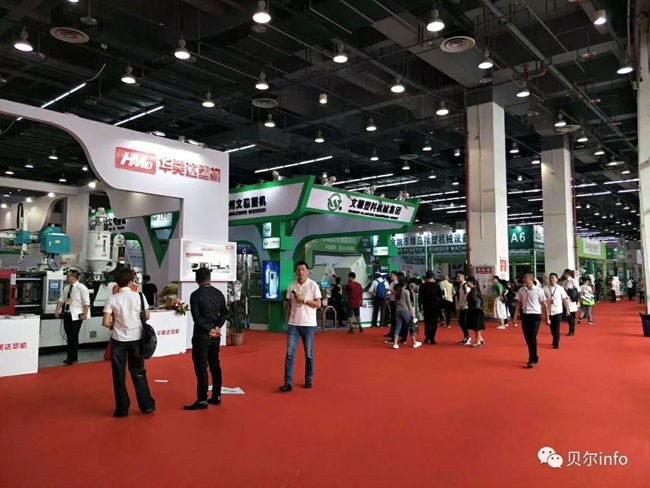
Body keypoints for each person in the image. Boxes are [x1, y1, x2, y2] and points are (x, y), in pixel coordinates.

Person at [102, 268, 155, 417]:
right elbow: (147, 316)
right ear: (131, 282)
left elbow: (105, 322)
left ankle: (122, 409)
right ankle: (146, 405)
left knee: (118, 375)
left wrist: (114, 325)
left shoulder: (112, 299)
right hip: (137, 338)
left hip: (118, 340)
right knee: (138, 372)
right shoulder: (139, 296)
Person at [184, 267, 229, 410]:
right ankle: (217, 395)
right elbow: (225, 313)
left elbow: (196, 318)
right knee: (215, 365)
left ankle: (202, 399)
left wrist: (209, 329)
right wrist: (217, 327)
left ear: (196, 280)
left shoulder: (195, 295)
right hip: (215, 336)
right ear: (210, 278)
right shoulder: (218, 293)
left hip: (201, 336)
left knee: (201, 367)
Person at [279, 261, 322, 392]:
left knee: (308, 354)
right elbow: (289, 305)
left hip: (308, 325)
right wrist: (287, 322)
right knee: (289, 354)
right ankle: (288, 382)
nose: (301, 272)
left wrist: (304, 300)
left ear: (307, 271)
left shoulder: (313, 285)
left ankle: (308, 379)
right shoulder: (291, 286)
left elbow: (318, 304)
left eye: (303, 269)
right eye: (298, 270)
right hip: (293, 324)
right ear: (295, 272)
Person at [54, 270, 91, 365]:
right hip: (67, 314)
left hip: (77, 315)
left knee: (74, 335)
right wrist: (57, 310)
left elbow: (86, 302)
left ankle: (71, 357)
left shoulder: (82, 288)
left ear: (74, 277)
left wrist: (85, 314)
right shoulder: (66, 288)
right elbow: (61, 300)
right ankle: (72, 356)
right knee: (69, 336)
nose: (66, 278)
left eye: (68, 276)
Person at [514, 273, 550, 369]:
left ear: (531, 279)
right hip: (525, 315)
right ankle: (534, 356)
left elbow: (544, 304)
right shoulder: (521, 290)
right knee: (527, 337)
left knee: (532, 336)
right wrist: (515, 315)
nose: (523, 279)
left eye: (525, 278)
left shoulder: (539, 290)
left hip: (535, 315)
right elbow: (518, 303)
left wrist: (547, 317)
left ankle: (532, 359)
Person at [389, 280, 422, 350]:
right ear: (405, 285)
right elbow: (409, 303)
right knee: (411, 326)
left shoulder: (397, 292)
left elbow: (395, 302)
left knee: (398, 326)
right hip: (405, 310)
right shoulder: (406, 291)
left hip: (398, 310)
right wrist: (412, 313)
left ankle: (395, 343)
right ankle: (414, 342)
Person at [543, 273, 569, 349]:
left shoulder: (560, 288)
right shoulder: (545, 289)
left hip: (558, 310)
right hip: (549, 310)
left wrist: (567, 310)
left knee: (557, 327)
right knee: (552, 327)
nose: (552, 279)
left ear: (557, 279)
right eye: (550, 278)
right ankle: (555, 338)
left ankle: (556, 343)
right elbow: (543, 300)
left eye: (553, 278)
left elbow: (564, 300)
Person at [419, 271, 442, 345]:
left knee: (427, 323)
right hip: (435, 306)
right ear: (433, 277)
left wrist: (420, 306)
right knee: (434, 323)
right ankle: (432, 339)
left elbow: (420, 297)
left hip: (426, 306)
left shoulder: (422, 286)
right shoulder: (437, 286)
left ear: (426, 277)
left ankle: (427, 337)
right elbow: (440, 297)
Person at [465, 277, 485, 347]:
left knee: (476, 327)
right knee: (477, 327)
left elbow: (473, 300)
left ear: (471, 282)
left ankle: (477, 341)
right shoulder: (477, 289)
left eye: (467, 281)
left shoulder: (472, 291)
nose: (466, 283)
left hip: (474, 311)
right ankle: (480, 339)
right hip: (478, 310)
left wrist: (469, 303)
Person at [561, 269, 580, 337]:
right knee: (567, 317)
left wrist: (569, 291)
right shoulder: (564, 281)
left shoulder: (572, 281)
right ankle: (570, 329)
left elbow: (578, 289)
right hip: (564, 300)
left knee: (571, 316)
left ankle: (571, 331)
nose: (563, 274)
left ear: (567, 273)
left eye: (564, 273)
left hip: (571, 301)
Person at [456, 272, 471, 345]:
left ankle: (467, 336)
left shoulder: (465, 285)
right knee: (461, 322)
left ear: (463, 277)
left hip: (465, 307)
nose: (457, 278)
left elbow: (467, 296)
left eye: (459, 276)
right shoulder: (461, 286)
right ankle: (466, 336)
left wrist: (463, 305)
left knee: (462, 322)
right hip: (462, 306)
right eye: (457, 276)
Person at [385, 271, 400, 342]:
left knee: (394, 317)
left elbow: (396, 293)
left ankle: (394, 333)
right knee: (392, 317)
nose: (391, 277)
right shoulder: (392, 283)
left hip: (394, 302)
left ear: (395, 276)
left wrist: (389, 290)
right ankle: (392, 332)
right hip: (391, 300)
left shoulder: (396, 283)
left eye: (392, 275)